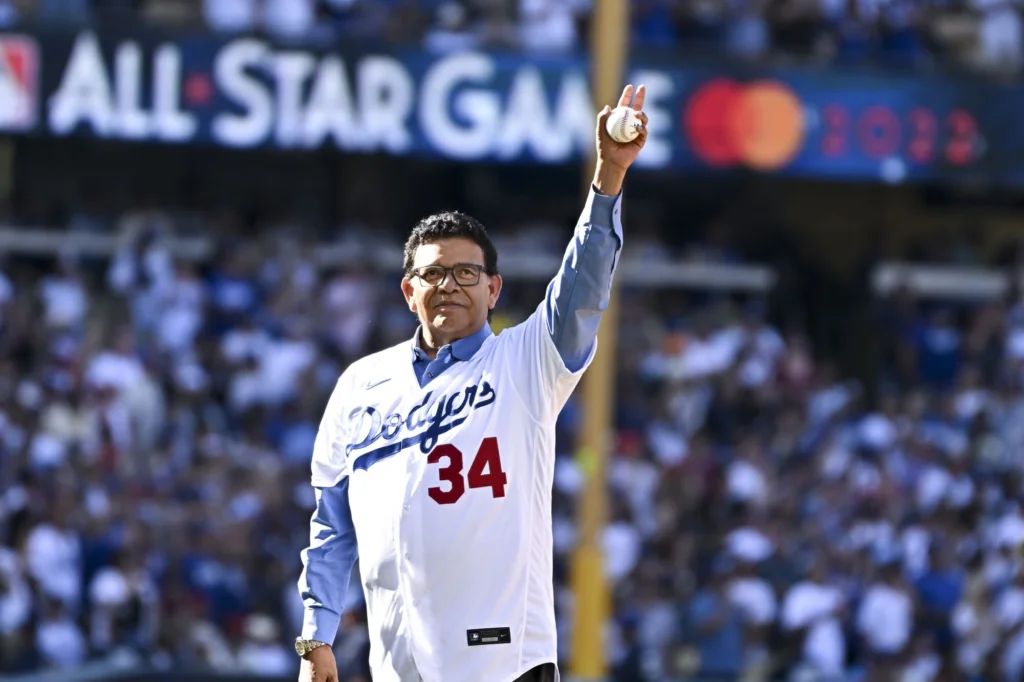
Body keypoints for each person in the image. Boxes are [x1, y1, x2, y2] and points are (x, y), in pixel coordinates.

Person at [294, 84, 649, 682]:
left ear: (494, 289)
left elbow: (582, 285)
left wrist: (608, 179)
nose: (451, 285)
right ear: (409, 291)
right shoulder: (360, 385)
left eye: (467, 272)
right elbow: (333, 523)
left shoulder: (525, 362)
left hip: (503, 660)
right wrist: (315, 638)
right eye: (434, 273)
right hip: (398, 663)